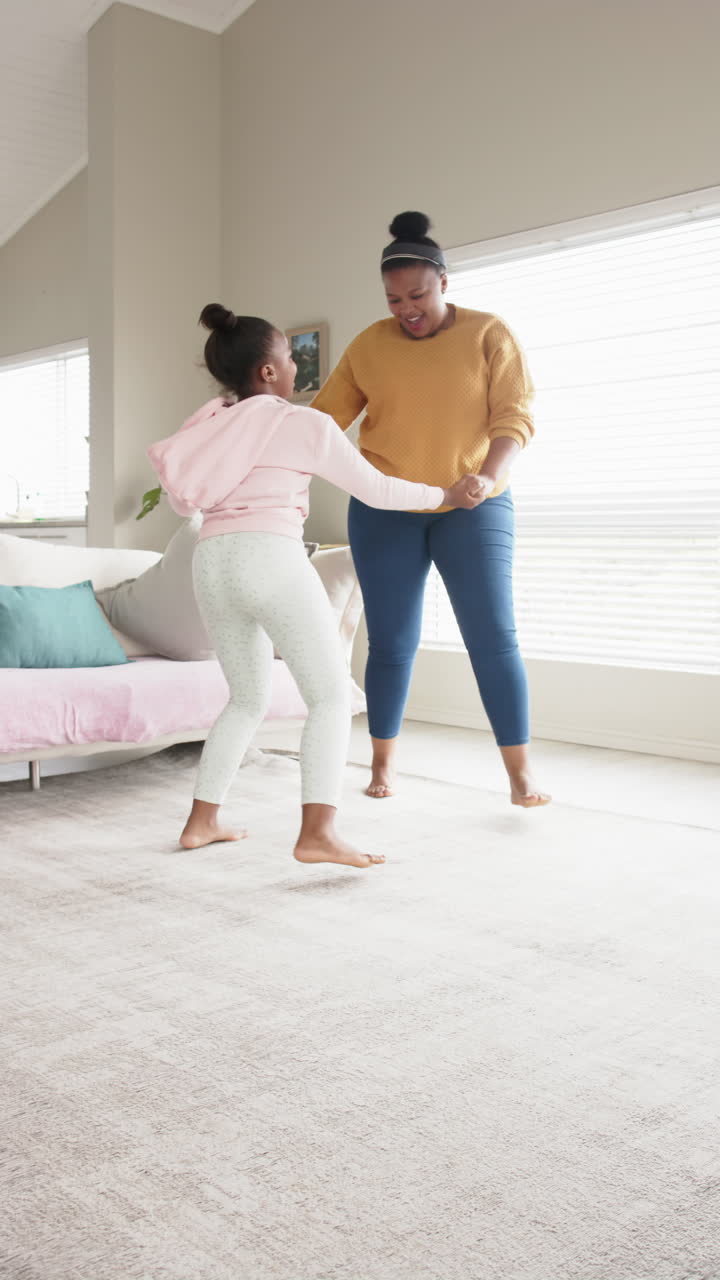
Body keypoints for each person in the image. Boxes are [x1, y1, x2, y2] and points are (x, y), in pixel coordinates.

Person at [147, 303, 486, 866]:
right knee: (329, 696)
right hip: (270, 556)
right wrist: (444, 495)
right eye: (289, 357)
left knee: (247, 698)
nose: (298, 368)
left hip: (211, 559)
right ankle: (317, 833)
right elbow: (376, 488)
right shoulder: (300, 423)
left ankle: (201, 822)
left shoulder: (210, 425)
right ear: (268, 373)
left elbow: (187, 498)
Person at [312, 212, 551, 808]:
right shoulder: (370, 344)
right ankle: (382, 764)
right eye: (394, 299)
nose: (406, 309)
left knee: (493, 636)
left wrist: (488, 476)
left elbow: (513, 415)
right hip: (386, 508)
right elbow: (321, 423)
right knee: (392, 640)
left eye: (417, 295)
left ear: (444, 280)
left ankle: (520, 774)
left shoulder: (488, 333)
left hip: (474, 505)